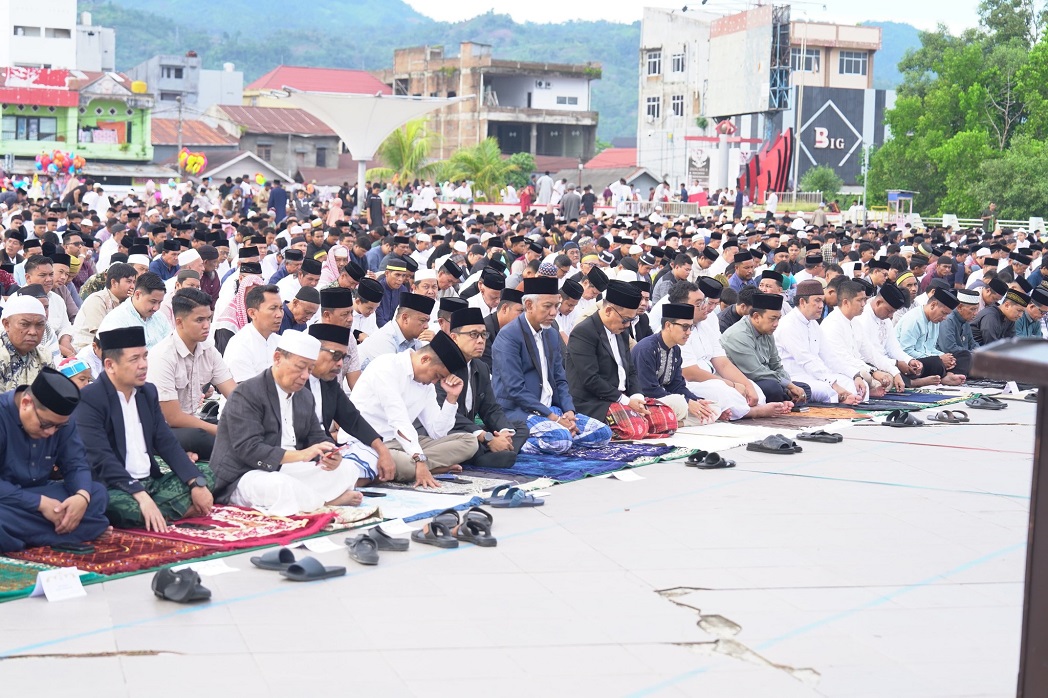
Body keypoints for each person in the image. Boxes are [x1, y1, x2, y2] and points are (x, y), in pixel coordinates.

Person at [210, 330, 363, 516]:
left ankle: (311, 502)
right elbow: (248, 449)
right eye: (300, 367)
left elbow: (316, 436)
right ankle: (326, 502)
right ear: (277, 358)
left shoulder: (304, 396)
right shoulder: (247, 393)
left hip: (287, 468)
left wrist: (330, 454)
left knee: (348, 469)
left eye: (310, 369)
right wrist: (300, 455)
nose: (306, 375)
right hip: (246, 474)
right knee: (280, 486)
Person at [76, 327, 214, 531]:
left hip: (152, 481)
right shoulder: (89, 399)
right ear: (110, 365)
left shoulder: (147, 392)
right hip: (115, 486)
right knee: (116, 507)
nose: (143, 365)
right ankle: (174, 510)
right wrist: (141, 497)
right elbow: (102, 459)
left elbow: (166, 442)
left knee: (209, 471)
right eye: (134, 359)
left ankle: (160, 511)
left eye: (145, 357)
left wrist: (195, 482)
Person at [492, 276, 613, 454]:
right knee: (560, 440)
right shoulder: (508, 336)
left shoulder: (551, 333)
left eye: (556, 306)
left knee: (602, 433)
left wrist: (569, 411)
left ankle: (555, 435)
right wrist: (554, 419)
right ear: (529, 305)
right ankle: (517, 442)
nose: (554, 313)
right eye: (547, 306)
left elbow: (560, 378)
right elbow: (515, 389)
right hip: (519, 411)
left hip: (551, 409)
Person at [0, 367, 110, 552]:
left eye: (58, 427)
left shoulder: (61, 421)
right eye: (45, 424)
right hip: (7, 499)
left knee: (97, 493)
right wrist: (39, 504)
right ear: (26, 403)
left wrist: (81, 497)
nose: (51, 432)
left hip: (41, 495)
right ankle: (82, 530)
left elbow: (76, 463)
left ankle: (24, 537)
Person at [350, 331, 480, 488]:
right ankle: (425, 467)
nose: (434, 382)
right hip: (371, 443)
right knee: (406, 463)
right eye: (436, 375)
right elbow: (398, 420)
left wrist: (451, 398)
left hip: (403, 444)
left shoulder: (427, 385)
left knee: (469, 442)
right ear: (425, 359)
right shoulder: (386, 366)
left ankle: (417, 467)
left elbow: (437, 432)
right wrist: (419, 458)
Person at [147, 288, 238, 459]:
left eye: (209, 319)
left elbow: (234, 393)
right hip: (160, 431)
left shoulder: (208, 349)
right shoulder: (163, 356)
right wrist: (219, 431)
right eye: (199, 320)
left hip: (192, 424)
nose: (207, 326)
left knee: (238, 427)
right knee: (203, 436)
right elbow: (172, 418)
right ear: (179, 322)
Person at [436, 308, 527, 469]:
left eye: (484, 335)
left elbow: (491, 408)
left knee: (519, 427)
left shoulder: (481, 366)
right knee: (468, 442)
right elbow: (445, 414)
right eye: (473, 335)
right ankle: (489, 454)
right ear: (454, 337)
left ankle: (499, 448)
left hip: (473, 432)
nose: (480, 340)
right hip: (449, 431)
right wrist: (487, 437)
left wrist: (503, 431)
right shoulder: (442, 367)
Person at [305, 323, 395, 486]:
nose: (340, 364)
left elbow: (352, 419)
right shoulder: (294, 383)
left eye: (344, 358)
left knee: (371, 457)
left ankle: (338, 484)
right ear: (313, 352)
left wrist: (381, 449)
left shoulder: (329, 383)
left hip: (327, 452)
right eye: (335, 355)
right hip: (300, 453)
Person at [775, 280, 865, 404]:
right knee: (825, 390)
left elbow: (830, 357)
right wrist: (834, 385)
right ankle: (842, 400)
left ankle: (845, 398)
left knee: (855, 384)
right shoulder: (788, 325)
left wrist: (855, 375)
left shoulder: (813, 324)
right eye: (817, 300)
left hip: (816, 375)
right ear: (802, 302)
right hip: (795, 378)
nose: (821, 305)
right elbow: (806, 360)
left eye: (822, 301)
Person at [631, 303, 719, 425]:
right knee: (680, 403)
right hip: (643, 402)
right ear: (668, 325)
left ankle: (673, 421)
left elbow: (677, 386)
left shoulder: (675, 350)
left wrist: (696, 401)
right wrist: (687, 402)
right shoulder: (647, 349)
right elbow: (648, 389)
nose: (688, 332)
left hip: (667, 401)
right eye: (684, 327)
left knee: (714, 408)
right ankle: (672, 421)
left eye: (690, 327)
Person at [720, 292, 809, 404]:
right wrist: (788, 385)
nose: (776, 324)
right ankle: (785, 400)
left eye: (778, 319)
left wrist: (789, 386)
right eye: (773, 319)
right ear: (756, 317)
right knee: (774, 389)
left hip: (767, 379)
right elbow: (755, 372)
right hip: (743, 382)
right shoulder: (737, 335)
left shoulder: (767, 332)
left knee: (804, 388)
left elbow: (776, 365)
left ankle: (786, 399)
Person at [857, 283, 930, 389]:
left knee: (925, 366)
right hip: (870, 364)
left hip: (886, 363)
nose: (891, 316)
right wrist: (895, 364)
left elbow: (893, 348)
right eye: (889, 311)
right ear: (878, 303)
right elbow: (869, 355)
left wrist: (909, 360)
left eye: (893, 312)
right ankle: (912, 382)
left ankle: (909, 379)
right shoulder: (863, 319)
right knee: (886, 380)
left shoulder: (886, 320)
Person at [895, 288, 967, 385]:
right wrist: (939, 358)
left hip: (928, 359)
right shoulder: (913, 320)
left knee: (964, 356)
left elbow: (930, 348)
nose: (945, 318)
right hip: (910, 362)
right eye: (944, 313)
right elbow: (906, 351)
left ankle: (947, 375)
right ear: (933, 305)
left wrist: (946, 358)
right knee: (936, 363)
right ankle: (945, 377)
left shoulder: (935, 320)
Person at [223, 284, 284, 382]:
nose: (279, 314)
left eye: (281, 308)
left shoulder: (280, 342)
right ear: (252, 313)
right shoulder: (240, 344)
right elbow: (247, 391)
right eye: (273, 308)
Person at [358, 292, 434, 370]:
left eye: (427, 321)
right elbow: (394, 377)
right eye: (423, 320)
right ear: (405, 318)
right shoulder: (384, 339)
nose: (427, 326)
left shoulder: (414, 341)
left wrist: (435, 342)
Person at [71, 262, 138, 351]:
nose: (133, 286)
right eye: (129, 282)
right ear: (114, 282)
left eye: (134, 282)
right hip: (87, 349)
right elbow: (103, 335)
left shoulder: (127, 302)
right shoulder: (97, 300)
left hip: (110, 348)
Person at [97, 272, 172, 349]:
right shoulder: (117, 319)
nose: (156, 308)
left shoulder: (160, 317)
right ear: (137, 295)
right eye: (153, 302)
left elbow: (170, 347)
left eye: (160, 302)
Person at [0, 295, 54, 392]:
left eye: (39, 325)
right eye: (25, 324)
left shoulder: (45, 356)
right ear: (7, 324)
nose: (33, 332)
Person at [935, 288, 979, 376]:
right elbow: (949, 348)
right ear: (960, 307)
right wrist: (971, 354)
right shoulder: (948, 319)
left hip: (965, 357)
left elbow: (972, 343)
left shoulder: (965, 321)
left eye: (976, 309)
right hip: (949, 360)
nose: (975, 313)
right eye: (972, 309)